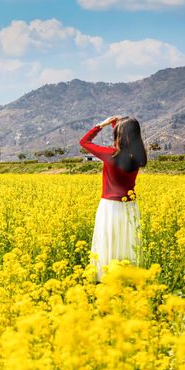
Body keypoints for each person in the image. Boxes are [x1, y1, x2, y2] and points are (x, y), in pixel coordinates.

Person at [78, 115, 148, 281]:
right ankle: (127, 277)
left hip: (110, 206)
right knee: (126, 242)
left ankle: (106, 278)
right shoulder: (140, 157)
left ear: (118, 135)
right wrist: (119, 126)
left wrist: (103, 124)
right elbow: (127, 139)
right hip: (130, 205)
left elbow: (84, 142)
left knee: (108, 242)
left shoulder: (110, 154)